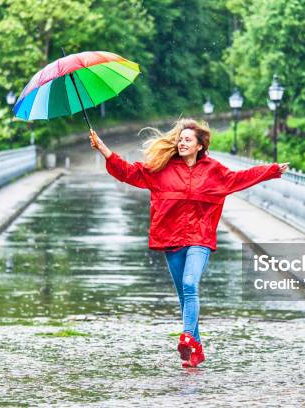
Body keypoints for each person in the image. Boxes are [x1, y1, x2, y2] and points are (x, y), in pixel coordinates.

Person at [89, 118, 289, 368]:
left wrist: (271, 170)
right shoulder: (161, 168)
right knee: (185, 298)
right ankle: (195, 349)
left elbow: (240, 177)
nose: (182, 143)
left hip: (200, 238)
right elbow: (129, 172)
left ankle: (186, 337)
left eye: (187, 140)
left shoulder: (213, 171)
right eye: (180, 139)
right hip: (171, 239)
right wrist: (102, 148)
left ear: (199, 146)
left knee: (189, 283)